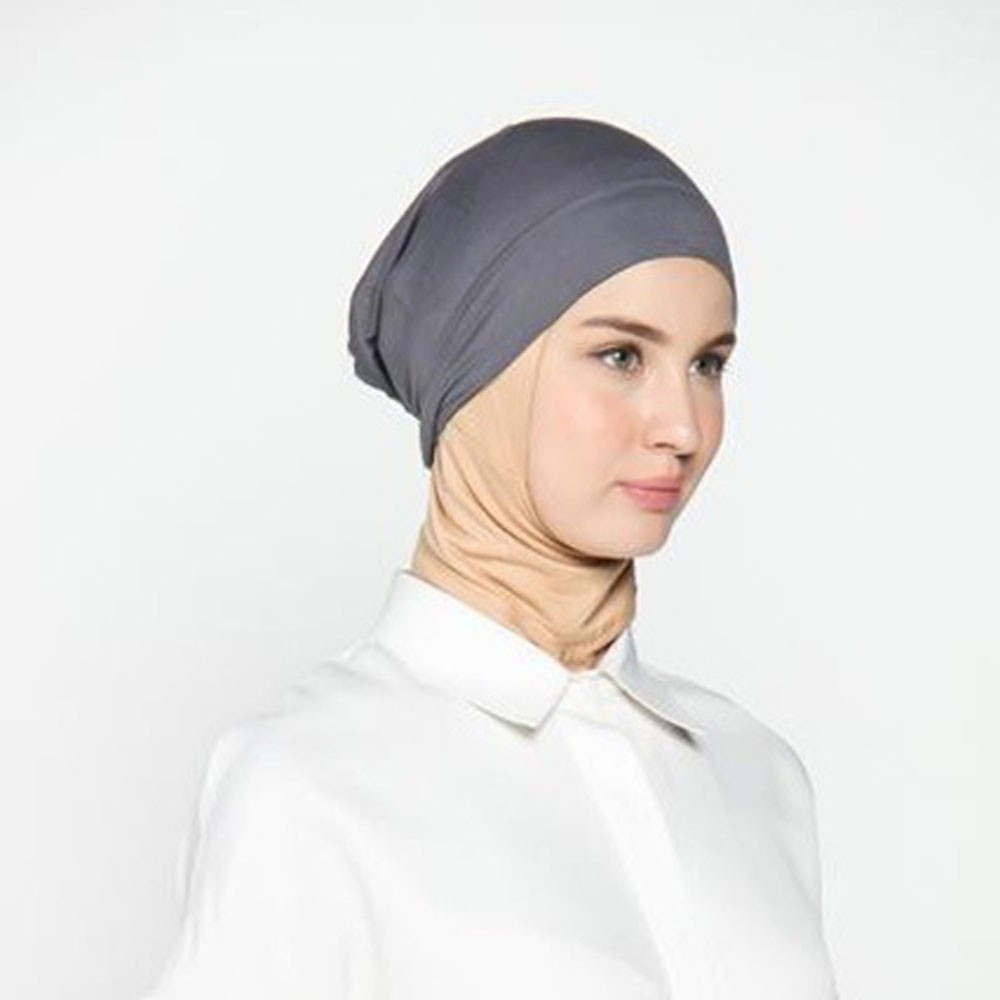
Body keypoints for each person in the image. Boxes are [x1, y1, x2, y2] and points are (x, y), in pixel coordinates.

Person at [142, 117, 839, 998]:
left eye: (708, 364)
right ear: (479, 374)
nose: (684, 427)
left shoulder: (756, 775)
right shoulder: (310, 784)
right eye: (621, 355)